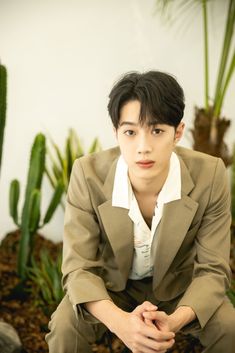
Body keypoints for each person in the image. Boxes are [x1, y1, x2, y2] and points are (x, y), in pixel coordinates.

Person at [46, 71, 235, 353]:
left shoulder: (210, 174)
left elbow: (213, 270)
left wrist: (174, 321)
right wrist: (120, 323)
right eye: (130, 132)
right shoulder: (87, 174)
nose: (143, 148)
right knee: (64, 328)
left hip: (180, 288)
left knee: (228, 327)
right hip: (111, 289)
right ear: (116, 133)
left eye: (157, 130)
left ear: (178, 132)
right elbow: (79, 268)